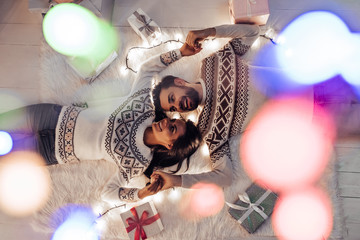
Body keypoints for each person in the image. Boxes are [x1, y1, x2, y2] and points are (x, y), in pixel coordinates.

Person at [151, 23, 360, 190]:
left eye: (172, 98)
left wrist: (208, 32)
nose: (178, 106)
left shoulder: (212, 63)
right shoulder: (210, 129)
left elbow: (251, 32)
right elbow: (224, 178)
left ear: (179, 82)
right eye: (173, 109)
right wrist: (177, 181)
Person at [0, 42, 203, 203]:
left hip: (54, 150)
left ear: (169, 146)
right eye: (173, 120)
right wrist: (181, 52)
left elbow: (108, 194)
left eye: (173, 129)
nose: (168, 123)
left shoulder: (138, 161)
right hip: (55, 116)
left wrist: (140, 194)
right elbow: (147, 69)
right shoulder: (144, 106)